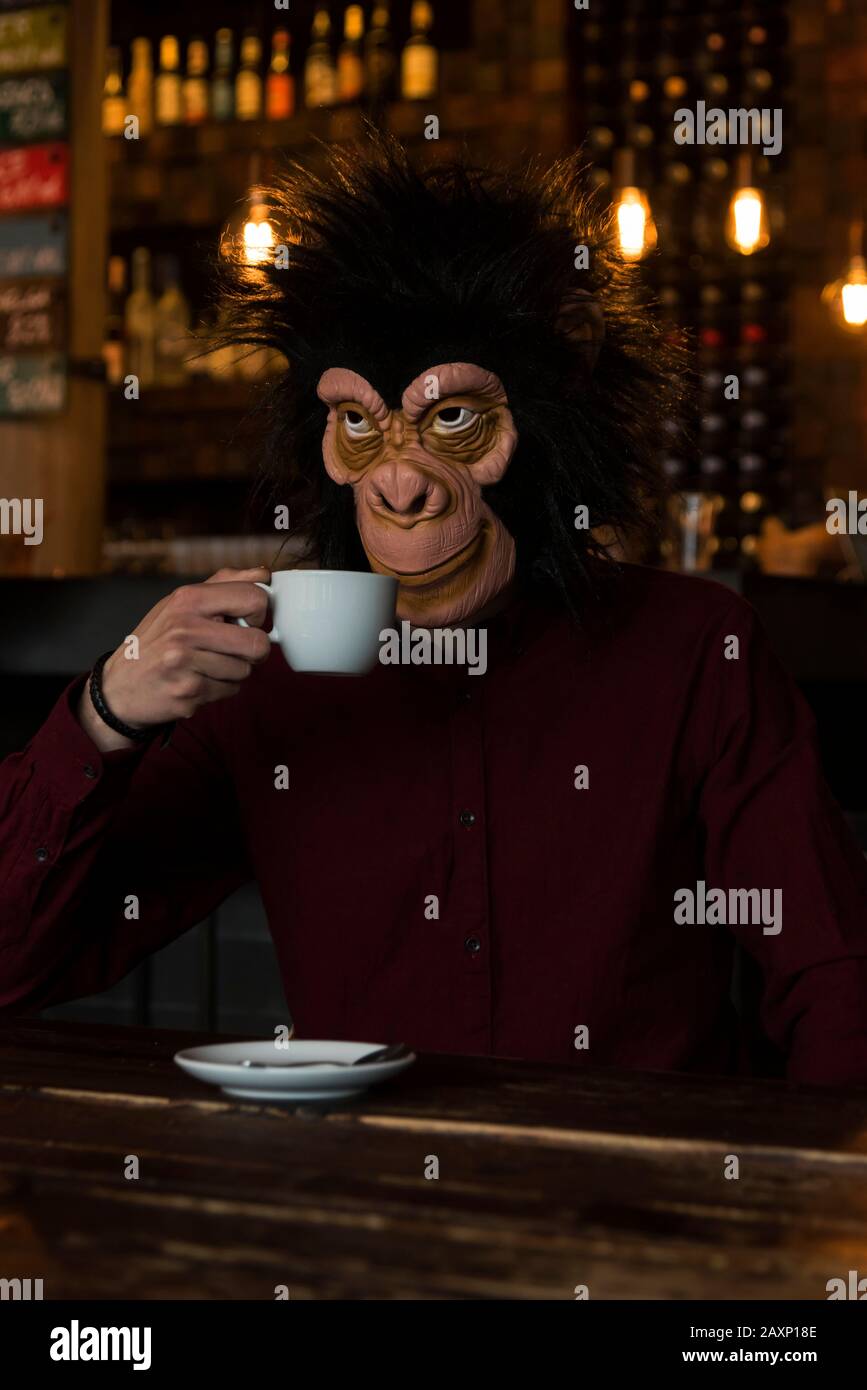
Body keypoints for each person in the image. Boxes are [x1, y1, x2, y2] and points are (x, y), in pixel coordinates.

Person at [2, 138, 866, 1084]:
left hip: (636, 1201)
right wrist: (103, 715)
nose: (400, 487)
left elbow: (834, 979)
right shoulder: (268, 689)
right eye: (360, 426)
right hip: (364, 1205)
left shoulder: (694, 649)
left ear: (546, 430)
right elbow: (13, 967)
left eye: (452, 420)